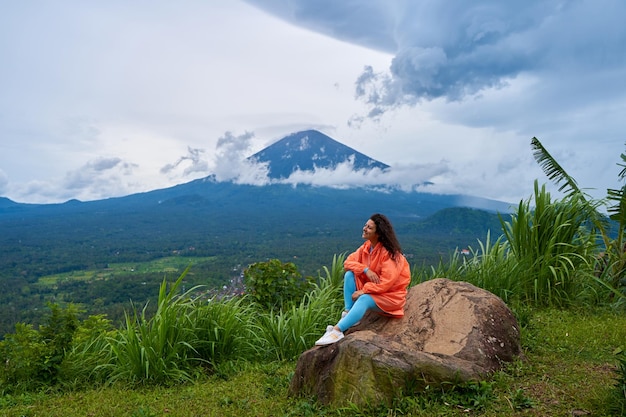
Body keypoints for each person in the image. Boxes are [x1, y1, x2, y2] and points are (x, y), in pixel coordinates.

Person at [315, 213, 411, 346]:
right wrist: (366, 270)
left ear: (378, 233)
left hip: (390, 296)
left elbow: (385, 284)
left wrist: (363, 291)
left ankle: (337, 331)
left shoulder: (390, 254)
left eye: (369, 228)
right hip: (375, 290)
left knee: (364, 299)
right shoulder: (366, 247)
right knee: (349, 275)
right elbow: (348, 263)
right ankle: (349, 313)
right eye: (366, 225)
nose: (364, 228)